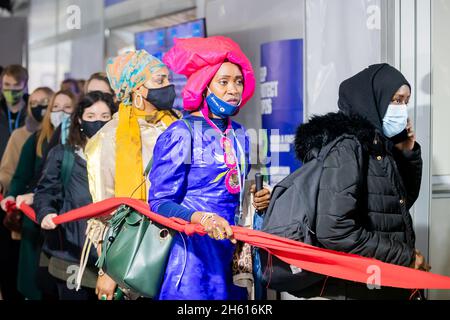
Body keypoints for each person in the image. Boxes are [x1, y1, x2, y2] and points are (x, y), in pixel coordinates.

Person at [291, 63, 428, 300]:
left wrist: (407, 152)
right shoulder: (348, 148)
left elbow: (397, 205)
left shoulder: (378, 148)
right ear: (372, 100)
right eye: (396, 100)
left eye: (406, 101)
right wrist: (404, 257)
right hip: (360, 286)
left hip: (382, 281)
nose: (402, 109)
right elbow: (334, 230)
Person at [148, 36, 256, 300]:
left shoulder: (240, 134)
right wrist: (202, 219)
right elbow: (159, 202)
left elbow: (234, 188)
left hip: (231, 252)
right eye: (224, 82)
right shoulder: (182, 133)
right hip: (190, 256)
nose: (233, 89)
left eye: (238, 81)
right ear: (204, 86)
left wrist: (256, 198)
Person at [87, 50, 181, 300]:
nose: (168, 87)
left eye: (168, 80)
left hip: (179, 244)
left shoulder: (178, 126)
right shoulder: (108, 138)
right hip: (134, 249)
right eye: (160, 81)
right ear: (137, 89)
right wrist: (108, 270)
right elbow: (103, 212)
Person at [33, 91, 117, 300]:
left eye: (105, 117)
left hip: (113, 259)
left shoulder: (123, 158)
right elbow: (45, 192)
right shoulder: (63, 155)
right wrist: (45, 213)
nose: (98, 121)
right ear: (79, 119)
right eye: (91, 116)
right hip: (71, 255)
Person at [0, 89, 76, 300]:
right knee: (34, 281)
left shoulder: (78, 142)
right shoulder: (35, 140)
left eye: (67, 108)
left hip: (65, 221)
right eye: (56, 108)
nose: (61, 112)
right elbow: (20, 176)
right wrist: (12, 196)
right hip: (34, 220)